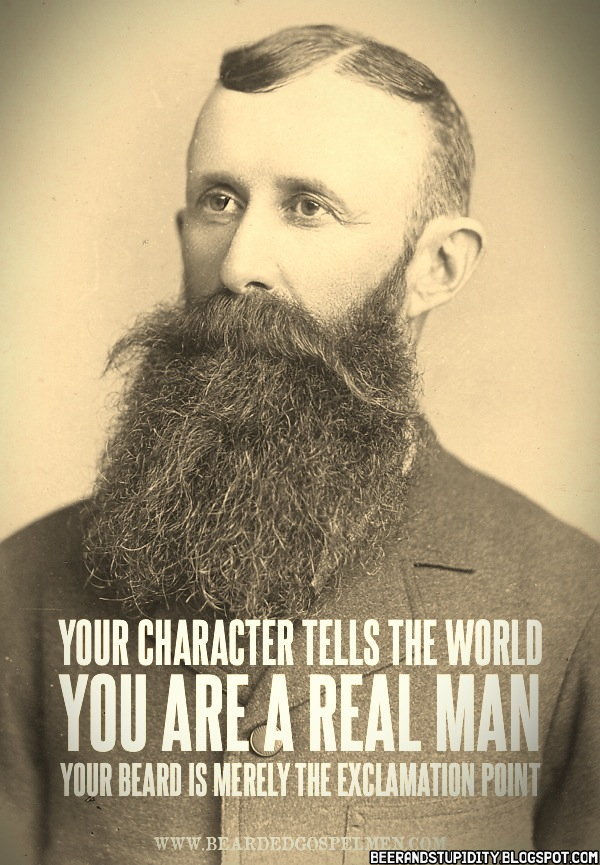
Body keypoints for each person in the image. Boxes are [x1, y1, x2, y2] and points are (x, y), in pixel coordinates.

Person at [1, 24, 598, 864]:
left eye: (308, 207)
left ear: (436, 266)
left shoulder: (570, 602)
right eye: (219, 200)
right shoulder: (23, 587)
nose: (239, 264)